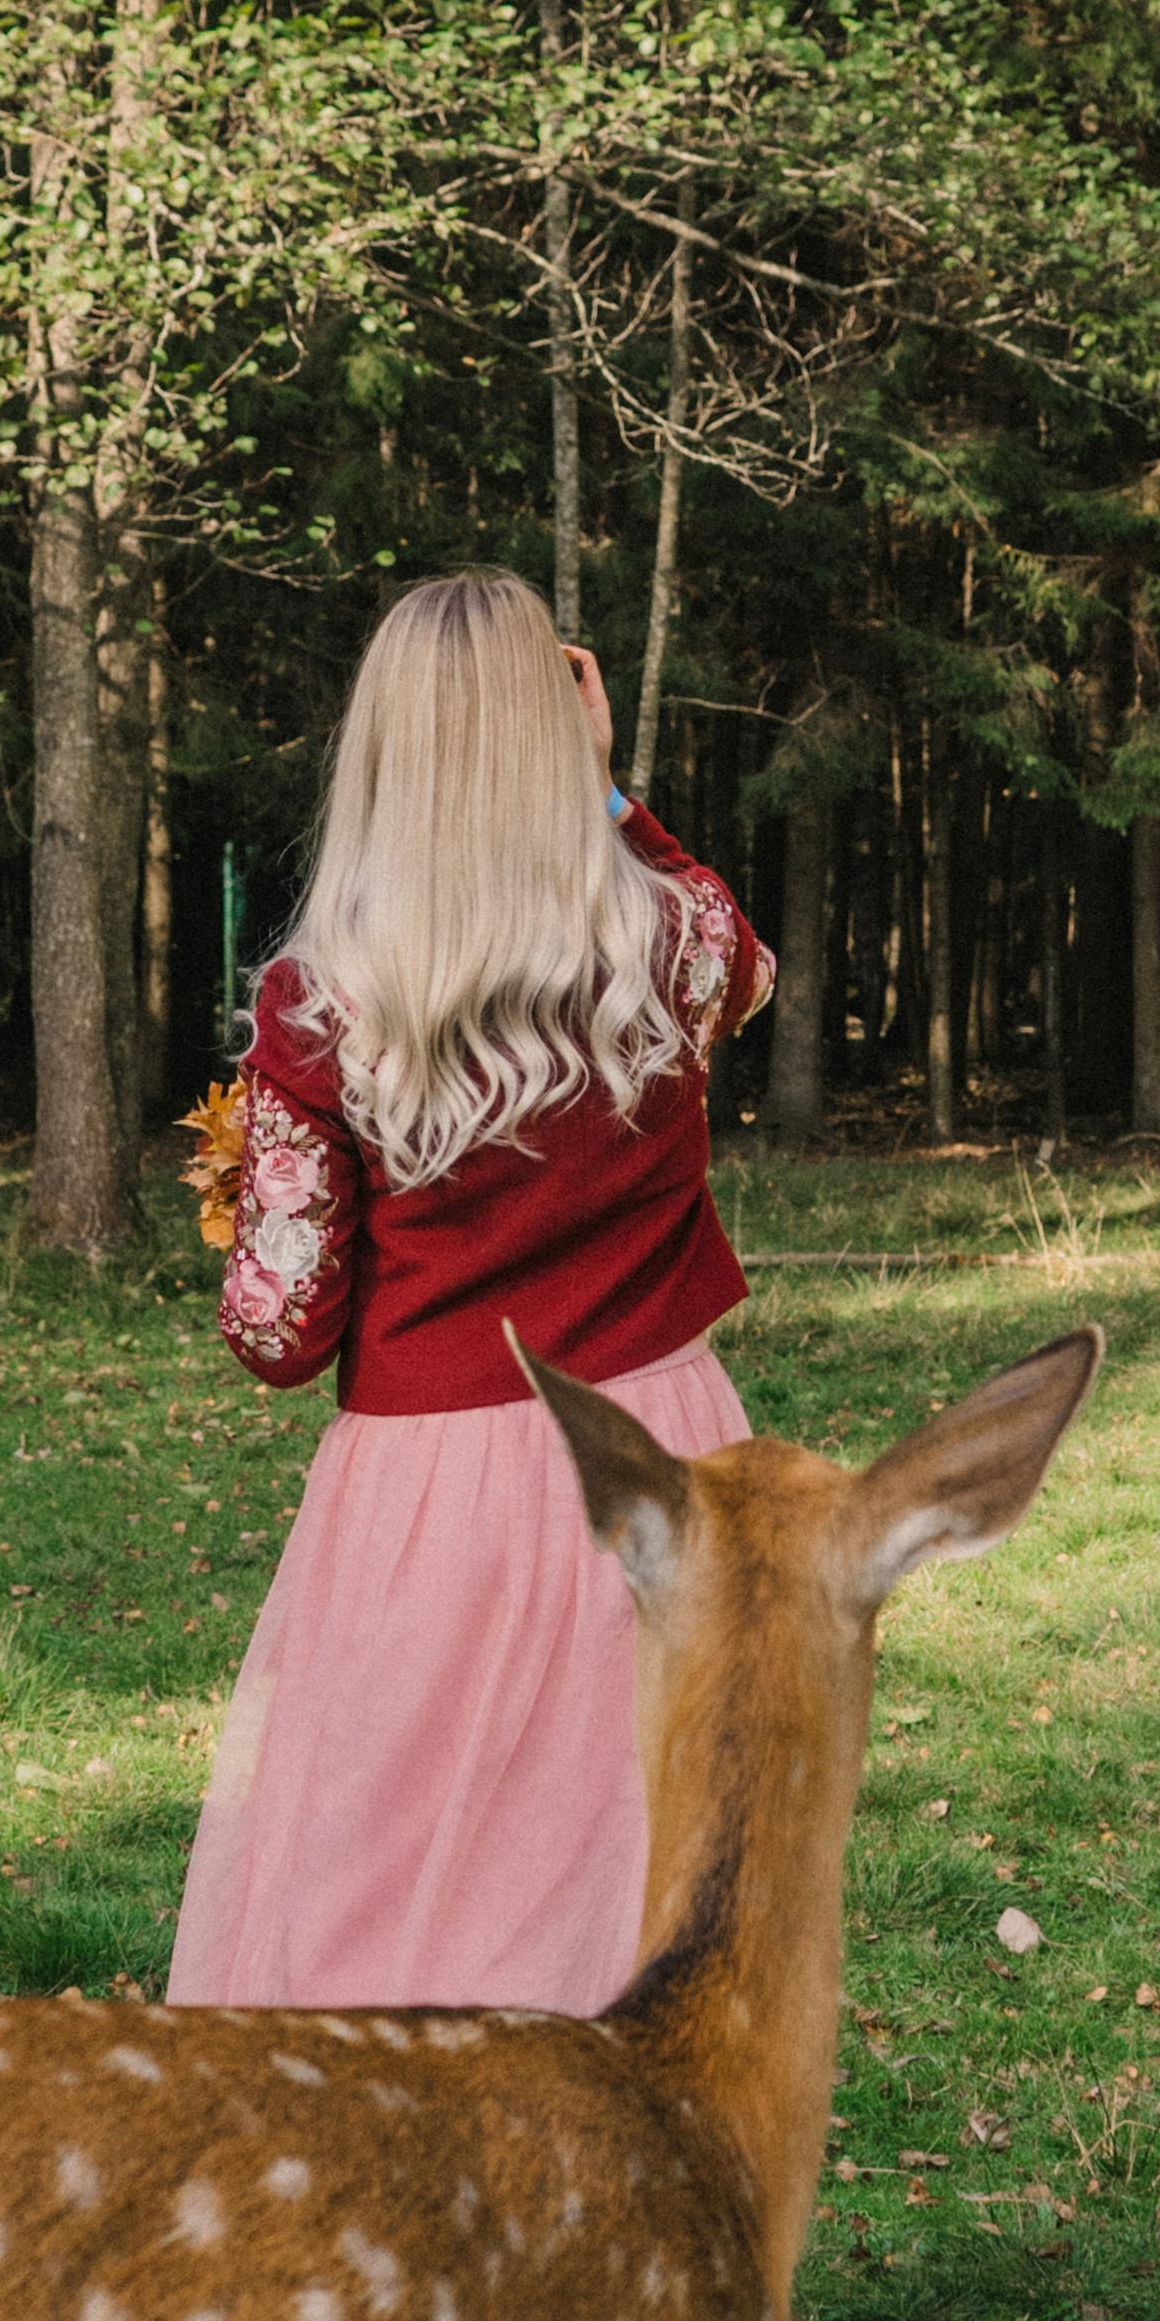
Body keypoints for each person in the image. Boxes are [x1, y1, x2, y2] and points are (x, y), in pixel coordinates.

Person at [171, 567, 776, 2013]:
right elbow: (751, 974)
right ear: (553, 741)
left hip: (436, 1494)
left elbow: (276, 1328)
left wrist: (243, 1182)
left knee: (390, 1883)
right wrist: (616, 794)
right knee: (649, 1863)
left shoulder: (323, 1003)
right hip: (669, 1456)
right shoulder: (675, 939)